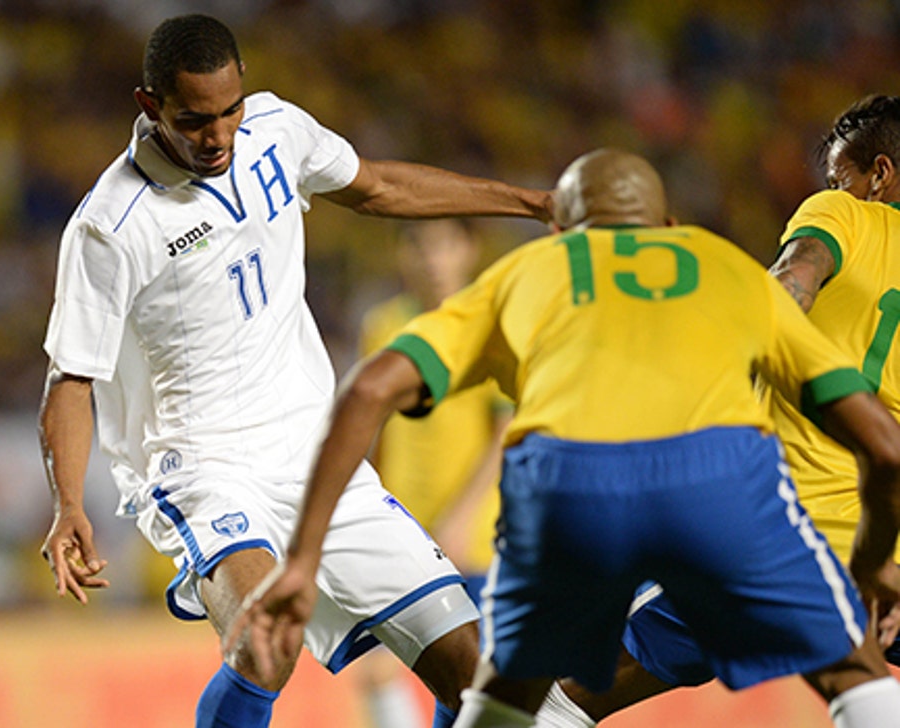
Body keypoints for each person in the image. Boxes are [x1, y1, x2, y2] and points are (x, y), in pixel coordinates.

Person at [228, 148, 900, 728]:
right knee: (853, 666)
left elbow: (370, 390)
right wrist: (870, 564)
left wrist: (305, 557)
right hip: (722, 489)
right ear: (668, 226)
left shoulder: (527, 275)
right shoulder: (729, 271)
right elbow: (883, 446)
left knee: (519, 697)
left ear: (561, 229)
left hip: (570, 498)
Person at [39, 13, 552, 728]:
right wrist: (68, 503)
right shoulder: (110, 226)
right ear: (149, 105)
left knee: (477, 678)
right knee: (263, 641)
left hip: (312, 456)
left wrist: (530, 203)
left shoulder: (276, 131)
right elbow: (70, 380)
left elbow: (376, 187)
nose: (217, 136)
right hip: (201, 463)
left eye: (229, 111)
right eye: (194, 121)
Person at [546, 93, 900, 727]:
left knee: (567, 690)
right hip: (883, 549)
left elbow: (791, 281)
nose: (831, 189)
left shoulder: (850, 216)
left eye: (838, 176)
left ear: (879, 175)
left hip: (779, 527)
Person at [354, 219, 512, 728]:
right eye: (420, 246)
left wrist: (463, 518)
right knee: (379, 671)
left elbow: (506, 432)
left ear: (469, 249)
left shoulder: (491, 323)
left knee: (473, 687)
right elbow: (376, 428)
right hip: (402, 527)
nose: (432, 259)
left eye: (445, 245)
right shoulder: (383, 325)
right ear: (401, 254)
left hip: (474, 536)